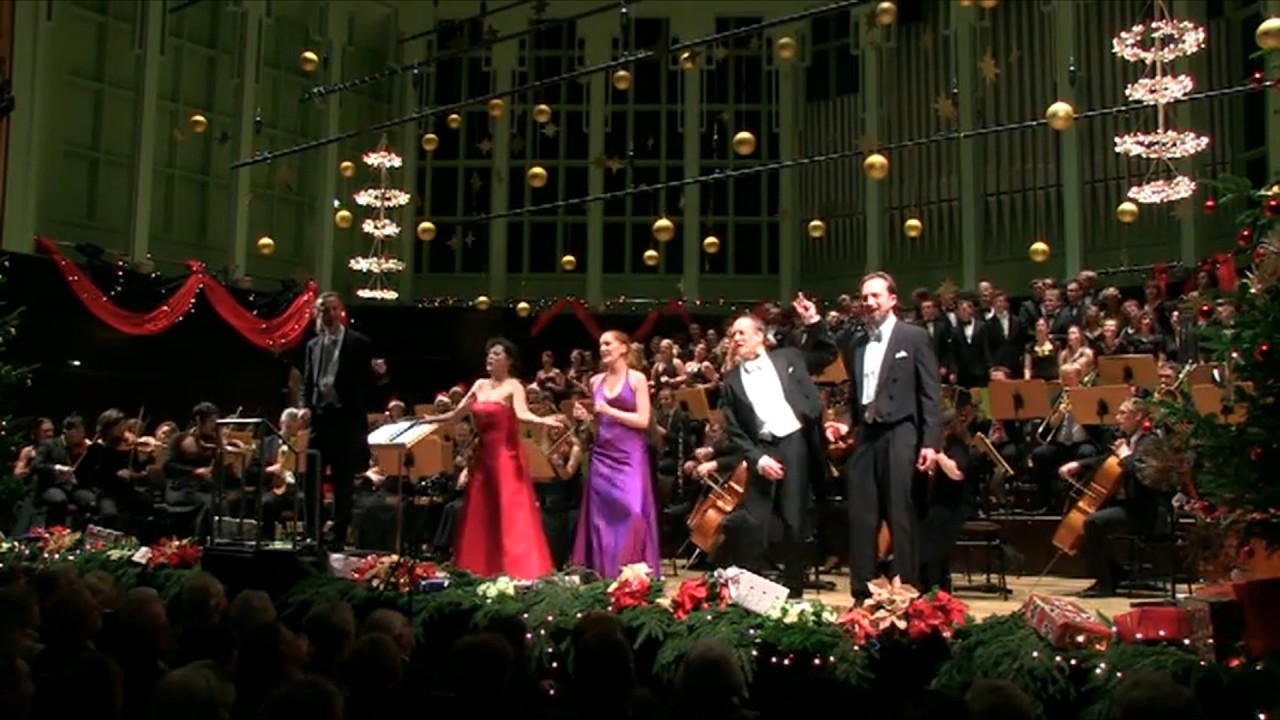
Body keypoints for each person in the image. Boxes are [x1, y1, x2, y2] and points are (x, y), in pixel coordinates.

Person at [824, 272, 941, 597]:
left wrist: (931, 443)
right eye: (865, 297)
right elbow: (855, 397)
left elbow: (931, 393)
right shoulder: (857, 343)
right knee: (861, 513)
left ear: (892, 299)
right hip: (867, 435)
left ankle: (906, 590)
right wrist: (844, 423)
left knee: (900, 511)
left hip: (901, 431)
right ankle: (862, 591)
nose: (869, 302)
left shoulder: (913, 337)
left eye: (876, 296)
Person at [717, 294, 836, 598]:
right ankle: (753, 592)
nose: (736, 338)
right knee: (754, 520)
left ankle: (794, 589)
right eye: (733, 335)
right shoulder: (730, 381)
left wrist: (812, 320)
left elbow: (826, 353)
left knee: (795, 519)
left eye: (742, 332)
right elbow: (734, 430)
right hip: (763, 448)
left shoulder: (788, 357)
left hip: (795, 442)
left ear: (760, 337)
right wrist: (757, 459)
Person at [421, 338, 561, 579]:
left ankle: (517, 568)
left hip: (506, 459)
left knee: (509, 511)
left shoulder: (514, 386)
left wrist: (543, 421)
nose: (491, 357)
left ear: (509, 360)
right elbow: (457, 414)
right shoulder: (479, 385)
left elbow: (524, 414)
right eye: (489, 354)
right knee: (482, 512)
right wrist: (433, 420)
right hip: (484, 458)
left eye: (497, 354)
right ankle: (481, 567)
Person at [570, 330, 662, 578]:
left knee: (632, 512)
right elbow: (598, 425)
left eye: (608, 343)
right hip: (602, 456)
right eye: (600, 344)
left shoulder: (637, 379)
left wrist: (609, 410)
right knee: (601, 519)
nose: (603, 348)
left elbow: (643, 420)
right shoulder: (595, 381)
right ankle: (604, 574)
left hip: (630, 456)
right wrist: (587, 418)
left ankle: (633, 575)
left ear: (623, 348)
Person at [302, 292, 388, 550]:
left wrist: (381, 375)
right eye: (324, 310)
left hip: (346, 421)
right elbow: (308, 382)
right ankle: (312, 533)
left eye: (333, 309)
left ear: (340, 311)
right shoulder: (312, 346)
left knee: (342, 482)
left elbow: (373, 381)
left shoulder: (358, 342)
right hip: (320, 419)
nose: (329, 314)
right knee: (312, 478)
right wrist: (305, 407)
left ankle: (338, 536)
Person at [1059, 398, 1161, 597]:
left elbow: (1144, 475)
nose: (1118, 418)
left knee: (1094, 523)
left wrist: (1125, 456)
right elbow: (1107, 461)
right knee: (1081, 520)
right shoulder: (1128, 441)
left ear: (1138, 416)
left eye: (1123, 413)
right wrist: (1079, 465)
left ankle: (1105, 583)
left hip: (1141, 509)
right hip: (1123, 504)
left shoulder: (1151, 442)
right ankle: (1117, 573)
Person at [918, 409, 979, 591]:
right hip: (938, 505)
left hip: (956, 508)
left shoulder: (957, 446)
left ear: (947, 430)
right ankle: (931, 585)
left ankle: (935, 588)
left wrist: (938, 454)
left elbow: (957, 473)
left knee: (932, 543)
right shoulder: (943, 445)